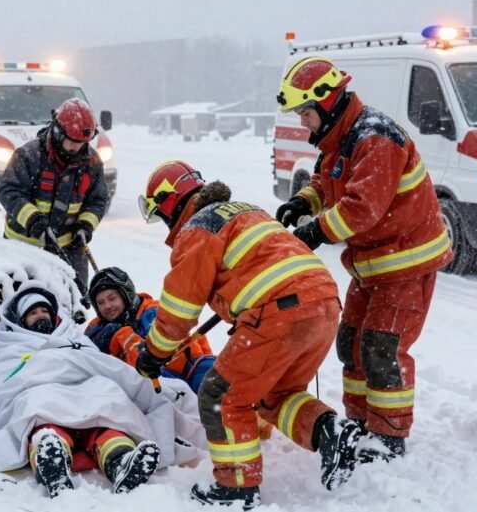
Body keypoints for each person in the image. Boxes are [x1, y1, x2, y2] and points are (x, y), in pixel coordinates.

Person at [135, 161, 363, 509]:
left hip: (278, 312)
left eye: (161, 214)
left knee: (219, 395)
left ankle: (236, 488)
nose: (165, 224)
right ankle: (330, 431)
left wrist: (152, 354)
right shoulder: (247, 212)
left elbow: (179, 312)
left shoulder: (197, 228)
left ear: (170, 202)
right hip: (323, 306)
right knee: (275, 393)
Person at [275, 56, 453, 463]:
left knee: (381, 349)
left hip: (405, 265)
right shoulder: (342, 135)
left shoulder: (375, 138)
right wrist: (304, 201)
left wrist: (315, 231)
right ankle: (359, 423)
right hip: (372, 265)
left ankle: (388, 438)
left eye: (304, 113)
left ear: (326, 102)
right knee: (352, 344)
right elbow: (330, 178)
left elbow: (361, 208)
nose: (302, 122)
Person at [0, 281, 206, 498]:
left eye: (44, 310)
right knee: (39, 406)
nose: (40, 316)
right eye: (33, 312)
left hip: (87, 387)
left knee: (109, 398)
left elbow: (100, 364)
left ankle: (120, 460)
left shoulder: (71, 336)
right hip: (38, 389)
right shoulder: (5, 344)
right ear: (20, 319)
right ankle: (50, 456)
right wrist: (35, 369)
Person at [0, 98, 108, 291]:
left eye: (82, 143)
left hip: (70, 249)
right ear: (57, 132)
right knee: (25, 303)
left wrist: (86, 225)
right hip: (23, 247)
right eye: (72, 141)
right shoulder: (29, 155)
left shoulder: (91, 163)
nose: (77, 148)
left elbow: (98, 200)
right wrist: (34, 221)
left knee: (76, 302)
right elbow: (9, 191)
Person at [85, 267, 215, 393]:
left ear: (126, 296)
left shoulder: (155, 314)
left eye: (112, 298)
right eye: (100, 303)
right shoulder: (97, 327)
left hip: (191, 373)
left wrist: (123, 336)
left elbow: (164, 366)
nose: (107, 306)